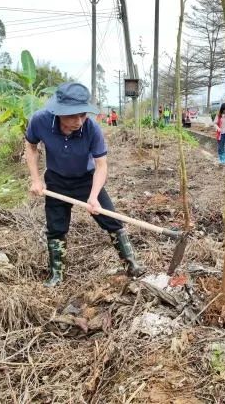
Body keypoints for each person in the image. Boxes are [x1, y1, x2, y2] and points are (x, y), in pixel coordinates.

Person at [25, 82, 146, 288]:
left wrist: (93, 195)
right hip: (56, 180)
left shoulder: (92, 129)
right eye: (72, 116)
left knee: (111, 220)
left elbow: (101, 165)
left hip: (86, 179)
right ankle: (57, 275)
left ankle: (131, 264)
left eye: (83, 114)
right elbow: (31, 146)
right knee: (56, 228)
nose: (79, 121)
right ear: (58, 111)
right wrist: (36, 179)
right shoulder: (40, 121)